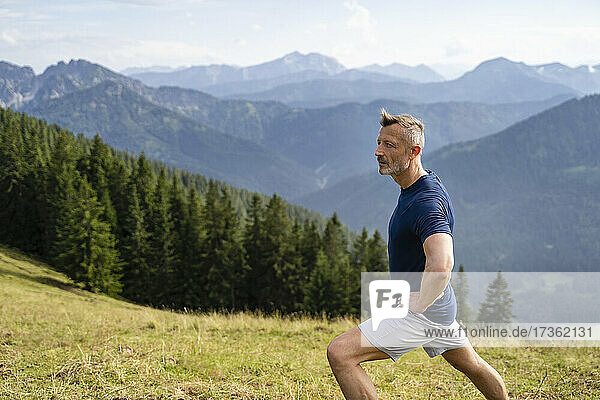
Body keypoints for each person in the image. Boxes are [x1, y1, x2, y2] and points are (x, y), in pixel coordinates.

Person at [327, 109, 509, 400]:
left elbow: (442, 263)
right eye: (378, 142)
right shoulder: (418, 186)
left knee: (340, 353)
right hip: (439, 306)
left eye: (389, 145)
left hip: (423, 312)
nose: (378, 151)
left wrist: (419, 303)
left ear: (414, 151)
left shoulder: (426, 201)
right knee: (472, 365)